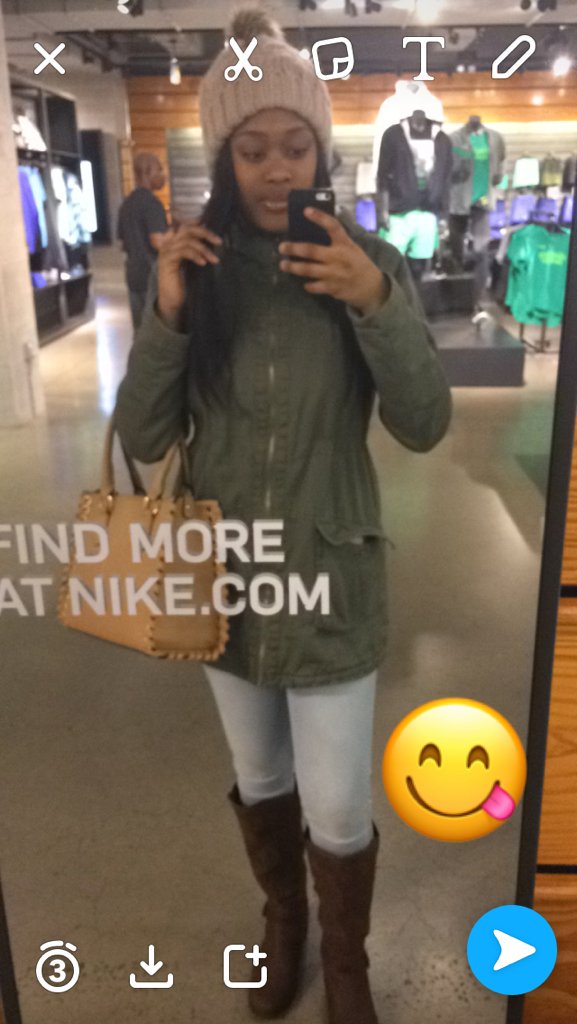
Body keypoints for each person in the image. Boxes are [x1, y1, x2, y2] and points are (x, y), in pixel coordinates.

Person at [114, 7, 452, 1024]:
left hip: (330, 573)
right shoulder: (198, 267)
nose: (274, 170)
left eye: (294, 146)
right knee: (259, 775)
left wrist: (374, 302)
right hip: (223, 575)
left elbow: (425, 424)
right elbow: (143, 432)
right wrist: (169, 311)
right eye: (251, 148)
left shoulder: (366, 257)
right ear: (224, 157)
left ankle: (344, 963)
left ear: (321, 153)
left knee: (339, 805)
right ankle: (283, 922)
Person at [117, 153, 168, 330]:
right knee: (157, 331)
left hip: (133, 276)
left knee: (140, 331)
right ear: (147, 172)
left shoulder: (126, 204)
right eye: (159, 170)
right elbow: (157, 241)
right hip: (152, 276)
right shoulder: (152, 204)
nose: (163, 175)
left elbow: (122, 242)